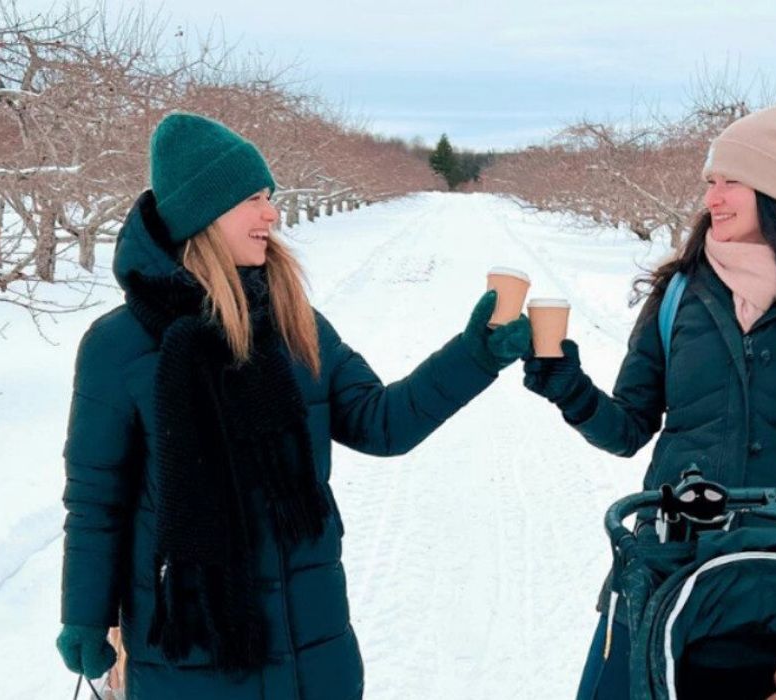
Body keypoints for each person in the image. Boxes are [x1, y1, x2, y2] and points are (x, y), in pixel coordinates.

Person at [54, 112, 531, 698]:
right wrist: (83, 615)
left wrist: (474, 356)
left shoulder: (295, 323)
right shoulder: (118, 346)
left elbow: (383, 423)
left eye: (270, 197)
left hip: (312, 645)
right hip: (191, 655)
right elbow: (97, 502)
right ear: (204, 213)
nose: (272, 214)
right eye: (253, 199)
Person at [520, 105, 776, 699]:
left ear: (773, 192)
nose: (713, 198)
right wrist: (567, 387)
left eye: (731, 182)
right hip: (670, 548)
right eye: (711, 182)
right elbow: (627, 428)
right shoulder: (678, 292)